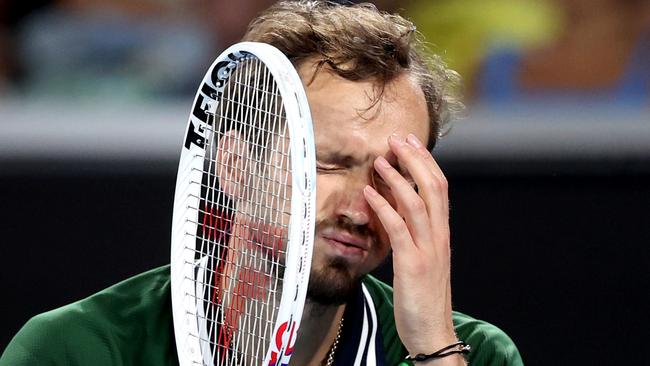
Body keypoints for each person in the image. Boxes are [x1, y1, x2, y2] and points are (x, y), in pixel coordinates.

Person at [0, 1, 523, 365]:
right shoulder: (77, 350)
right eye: (330, 163)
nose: (362, 209)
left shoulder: (473, 353)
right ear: (235, 166)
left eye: (393, 176)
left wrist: (432, 347)